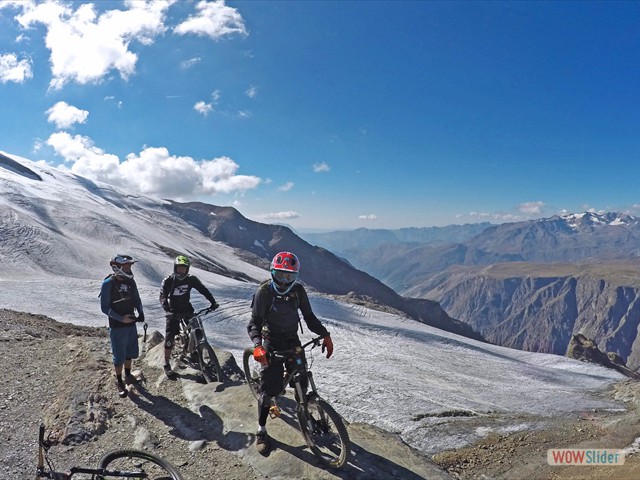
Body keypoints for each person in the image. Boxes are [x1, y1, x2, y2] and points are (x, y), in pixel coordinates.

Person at [247, 251, 334, 455]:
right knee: (269, 390)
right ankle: (261, 430)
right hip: (270, 341)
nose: (285, 281)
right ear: (272, 272)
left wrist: (325, 334)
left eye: (289, 276)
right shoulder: (264, 292)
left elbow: (309, 318)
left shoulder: (298, 291)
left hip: (292, 340)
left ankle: (303, 410)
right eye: (280, 275)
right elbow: (254, 323)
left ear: (295, 276)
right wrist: (258, 345)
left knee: (301, 380)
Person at [160, 255, 219, 377]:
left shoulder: (191, 279)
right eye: (179, 268)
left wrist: (213, 302)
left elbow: (203, 290)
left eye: (184, 269)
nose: (181, 271)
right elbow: (162, 297)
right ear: (175, 268)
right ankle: (166, 362)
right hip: (173, 310)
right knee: (170, 337)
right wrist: (168, 310)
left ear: (187, 269)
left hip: (187, 308)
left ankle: (193, 351)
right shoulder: (169, 280)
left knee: (197, 332)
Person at [100, 254, 145, 398]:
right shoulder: (108, 283)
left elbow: (136, 298)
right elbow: (105, 308)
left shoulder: (130, 282)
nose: (128, 268)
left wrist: (140, 311)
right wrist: (121, 319)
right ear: (117, 267)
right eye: (126, 266)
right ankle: (119, 380)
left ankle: (127, 374)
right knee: (119, 355)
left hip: (130, 322)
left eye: (129, 266)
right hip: (117, 325)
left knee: (130, 351)